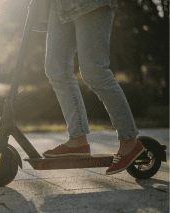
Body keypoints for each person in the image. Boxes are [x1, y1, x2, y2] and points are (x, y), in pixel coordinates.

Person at [40, 0, 145, 175]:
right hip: (59, 5)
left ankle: (129, 141)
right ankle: (77, 139)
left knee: (94, 71)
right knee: (56, 71)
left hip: (91, 3)